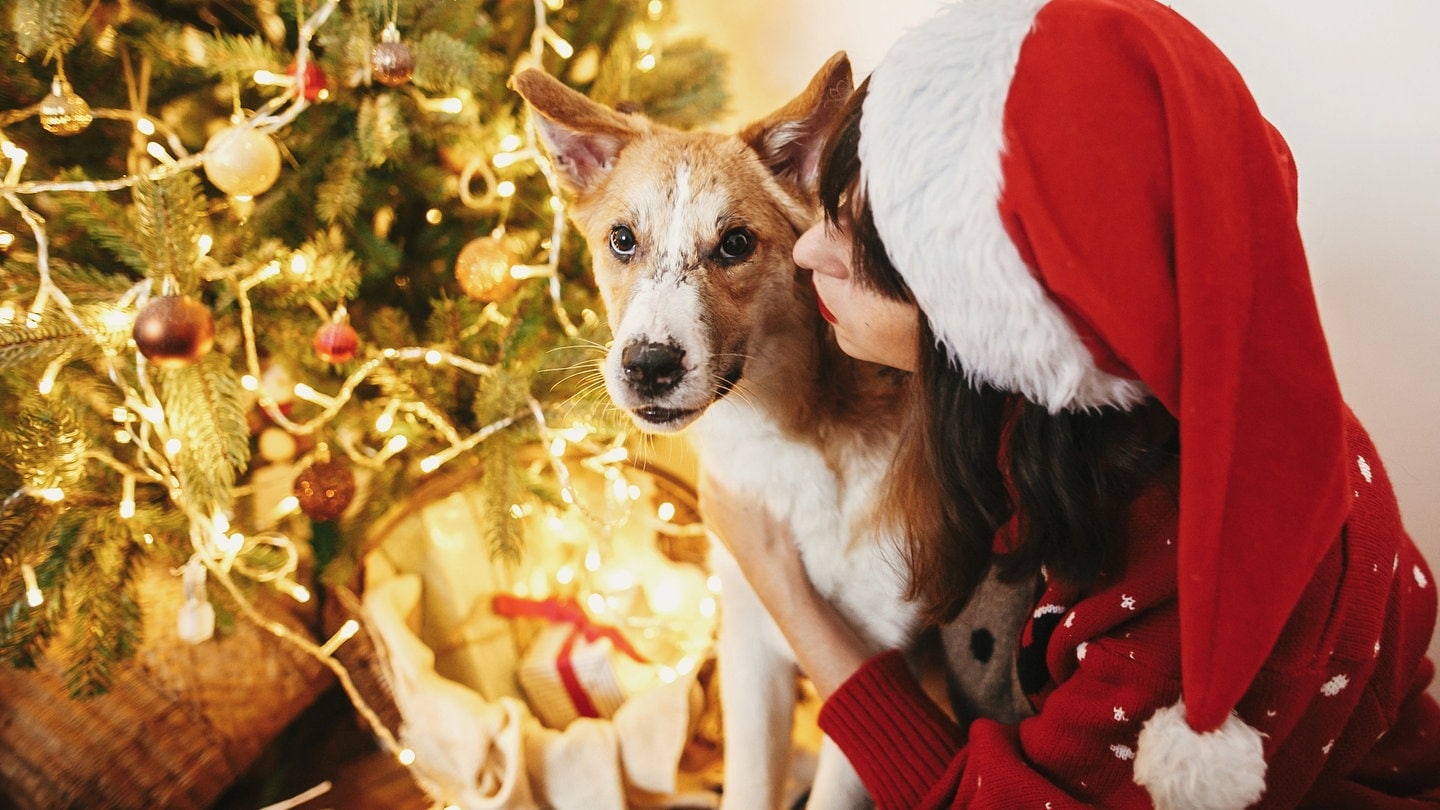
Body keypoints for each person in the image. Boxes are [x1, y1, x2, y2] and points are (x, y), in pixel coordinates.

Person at [697, 0, 1440, 807]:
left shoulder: (1178, 613)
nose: (808, 249)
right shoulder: (1049, 408)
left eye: (866, 249)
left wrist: (780, 585)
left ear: (981, 312)